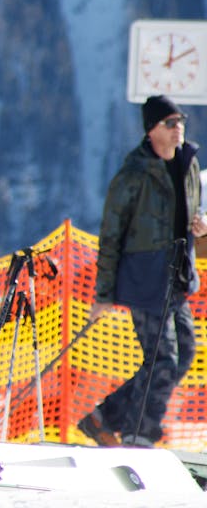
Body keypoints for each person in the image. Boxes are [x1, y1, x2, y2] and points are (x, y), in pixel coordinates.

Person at [81, 95, 205, 448]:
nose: (178, 127)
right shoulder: (133, 174)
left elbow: (194, 211)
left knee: (184, 355)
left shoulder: (188, 163)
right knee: (163, 359)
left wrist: (201, 225)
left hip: (179, 278)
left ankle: (103, 418)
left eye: (180, 120)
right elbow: (111, 236)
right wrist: (104, 295)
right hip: (145, 280)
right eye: (169, 122)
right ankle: (140, 436)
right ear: (151, 130)